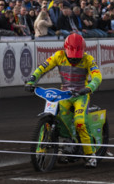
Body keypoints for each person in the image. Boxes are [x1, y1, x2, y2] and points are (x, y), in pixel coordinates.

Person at [25, 32, 103, 168]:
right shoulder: (58, 56)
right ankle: (51, 149)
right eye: (71, 57)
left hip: (81, 95)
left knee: (80, 122)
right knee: (60, 121)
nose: (73, 61)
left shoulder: (88, 59)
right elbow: (43, 67)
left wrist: (89, 88)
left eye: (76, 58)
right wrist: (32, 79)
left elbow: (97, 77)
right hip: (64, 95)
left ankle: (91, 156)